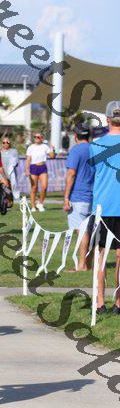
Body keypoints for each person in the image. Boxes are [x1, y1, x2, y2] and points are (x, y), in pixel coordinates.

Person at [90, 101, 120, 315]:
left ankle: (100, 302)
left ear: (108, 119)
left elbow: (91, 176)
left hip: (102, 208)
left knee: (101, 256)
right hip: (111, 208)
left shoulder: (96, 145)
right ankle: (118, 302)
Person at [63, 122, 94, 271]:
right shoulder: (95, 149)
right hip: (93, 196)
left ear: (75, 136)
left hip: (78, 197)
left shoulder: (76, 150)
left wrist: (66, 197)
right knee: (91, 231)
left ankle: (82, 265)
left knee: (82, 231)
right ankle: (89, 263)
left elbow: (71, 173)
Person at [25, 133, 55, 212]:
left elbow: (52, 156)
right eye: (35, 137)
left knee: (44, 186)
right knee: (34, 187)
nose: (36, 138)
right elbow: (28, 159)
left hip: (42, 167)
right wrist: (27, 170)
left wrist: (52, 149)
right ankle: (33, 206)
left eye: (38, 137)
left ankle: (40, 204)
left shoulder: (45, 146)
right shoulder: (31, 147)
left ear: (42, 138)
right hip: (33, 167)